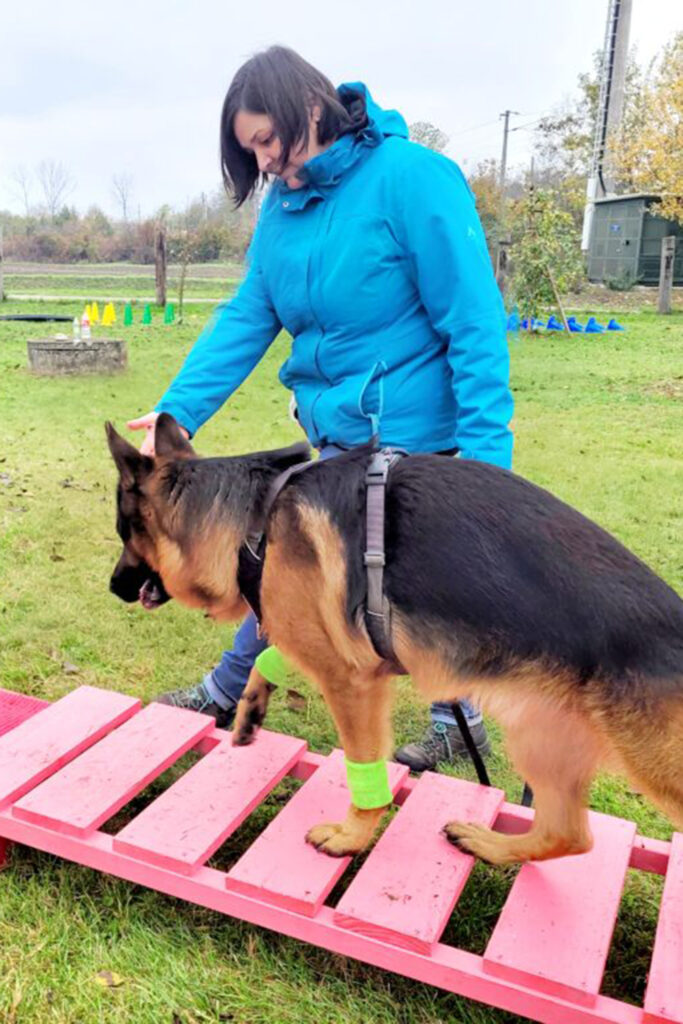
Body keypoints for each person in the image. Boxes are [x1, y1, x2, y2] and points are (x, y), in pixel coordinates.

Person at [127, 45, 513, 772]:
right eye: (251, 151)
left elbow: (473, 326)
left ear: (310, 107)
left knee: (424, 595)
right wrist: (175, 414)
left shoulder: (413, 180)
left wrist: (489, 468)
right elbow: (250, 313)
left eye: (268, 140)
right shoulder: (284, 209)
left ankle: (452, 720)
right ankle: (230, 687)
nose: (265, 162)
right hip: (339, 443)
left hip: (423, 449)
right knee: (285, 571)